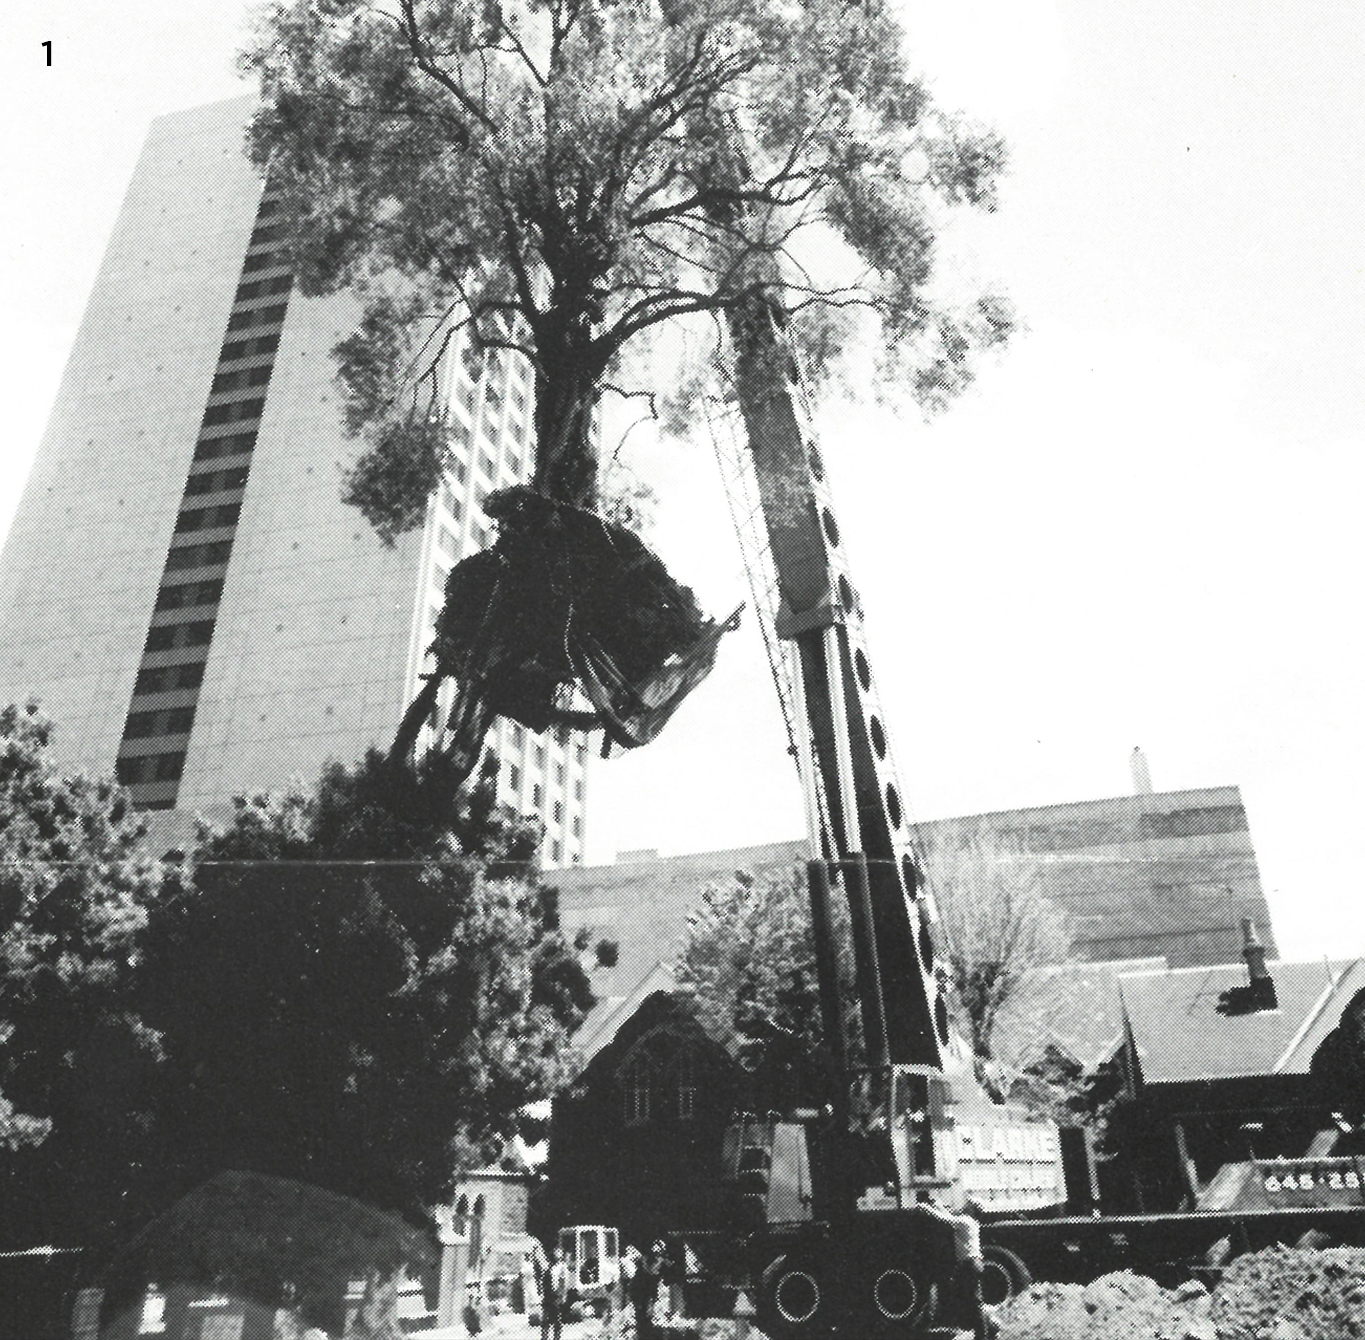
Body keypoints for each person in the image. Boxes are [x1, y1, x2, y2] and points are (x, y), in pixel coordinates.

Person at [627, 1241, 664, 1340]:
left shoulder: (658, 1260)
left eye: (658, 1248)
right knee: (641, 1312)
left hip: (651, 1287)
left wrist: (643, 1262)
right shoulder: (646, 1258)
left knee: (648, 1311)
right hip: (642, 1288)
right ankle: (642, 1331)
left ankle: (646, 1331)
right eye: (654, 1247)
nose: (655, 1250)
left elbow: (650, 1270)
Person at [540, 1245, 571, 1340]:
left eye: (559, 1252)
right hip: (548, 1295)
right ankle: (544, 1337)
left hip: (557, 1294)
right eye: (555, 1252)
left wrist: (563, 1296)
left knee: (556, 1318)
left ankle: (556, 1338)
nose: (556, 1254)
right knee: (545, 1319)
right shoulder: (549, 1266)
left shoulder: (562, 1267)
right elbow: (544, 1281)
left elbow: (564, 1282)